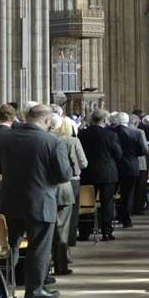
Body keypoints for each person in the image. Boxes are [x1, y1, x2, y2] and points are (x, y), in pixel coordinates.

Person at [0, 104, 73, 298]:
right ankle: (34, 289)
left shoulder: (5, 139)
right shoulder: (52, 142)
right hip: (41, 202)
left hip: (10, 201)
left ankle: (1, 288)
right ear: (46, 121)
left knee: (9, 246)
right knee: (39, 247)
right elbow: (64, 175)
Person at [77, 110, 123, 241]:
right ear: (104, 120)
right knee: (107, 203)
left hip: (87, 172)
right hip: (107, 173)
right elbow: (118, 154)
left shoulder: (82, 134)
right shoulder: (110, 135)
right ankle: (106, 232)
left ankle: (84, 232)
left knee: (86, 202)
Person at [52, 114, 88, 274]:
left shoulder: (41, 140)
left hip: (42, 189)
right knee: (64, 226)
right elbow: (82, 163)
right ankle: (62, 259)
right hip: (66, 184)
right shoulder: (67, 141)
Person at [112, 111, 147, 228]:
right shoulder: (135, 133)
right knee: (127, 195)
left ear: (116, 121)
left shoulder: (109, 132)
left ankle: (112, 217)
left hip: (114, 167)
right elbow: (143, 151)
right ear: (127, 121)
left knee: (110, 195)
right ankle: (126, 220)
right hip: (130, 167)